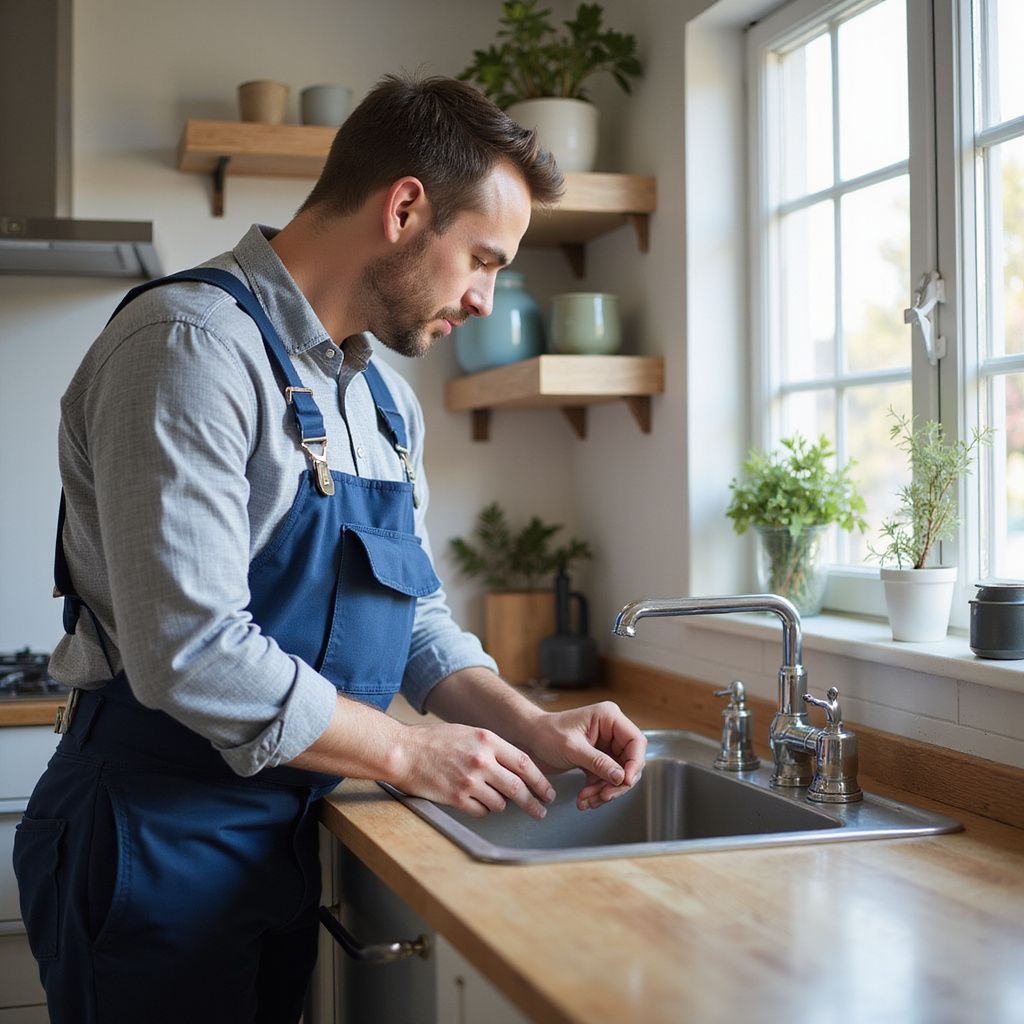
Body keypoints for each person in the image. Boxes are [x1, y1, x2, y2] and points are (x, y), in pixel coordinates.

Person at [14, 74, 647, 1024]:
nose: (484, 299)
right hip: (152, 838)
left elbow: (418, 619)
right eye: (482, 258)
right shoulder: (188, 346)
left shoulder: (382, 404)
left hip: (281, 832)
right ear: (404, 208)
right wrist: (406, 750)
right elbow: (189, 650)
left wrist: (529, 727)